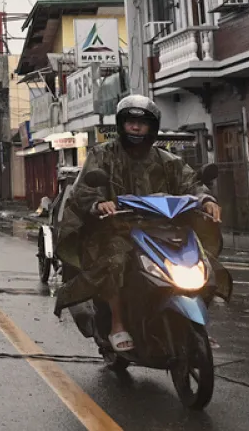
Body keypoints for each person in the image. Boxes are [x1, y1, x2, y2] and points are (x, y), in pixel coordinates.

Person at [53, 94, 223, 354]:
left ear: (151, 128)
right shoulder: (102, 155)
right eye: (130, 122)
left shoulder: (168, 161)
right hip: (116, 230)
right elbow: (84, 188)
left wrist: (207, 200)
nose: (135, 128)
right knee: (115, 259)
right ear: (121, 125)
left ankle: (193, 323)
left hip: (162, 231)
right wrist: (99, 203)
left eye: (141, 124)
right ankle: (117, 324)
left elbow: (192, 183)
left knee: (202, 262)